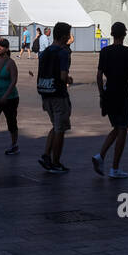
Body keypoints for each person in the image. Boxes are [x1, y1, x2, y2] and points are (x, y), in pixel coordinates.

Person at [93, 21, 128, 178]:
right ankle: (115, 168)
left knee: (117, 127)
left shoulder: (104, 51)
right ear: (124, 34)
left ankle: (100, 156)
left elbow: (98, 76)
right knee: (123, 128)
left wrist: (101, 94)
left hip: (109, 92)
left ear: (112, 34)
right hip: (122, 93)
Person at [37, 22, 74, 173]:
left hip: (46, 93)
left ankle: (46, 155)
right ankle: (56, 162)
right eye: (69, 35)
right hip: (59, 95)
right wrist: (69, 80)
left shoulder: (45, 52)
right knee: (60, 129)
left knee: (55, 126)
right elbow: (63, 75)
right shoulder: (62, 52)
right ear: (65, 36)